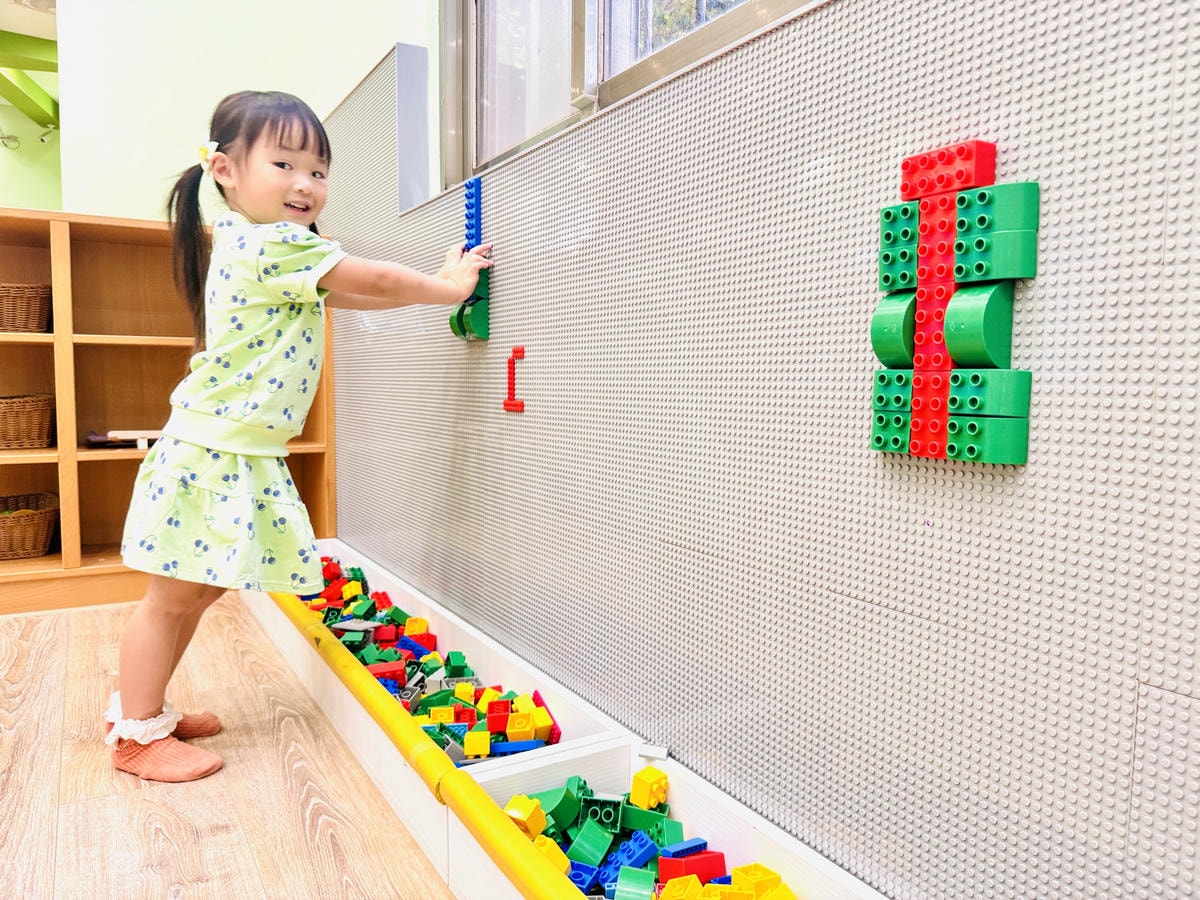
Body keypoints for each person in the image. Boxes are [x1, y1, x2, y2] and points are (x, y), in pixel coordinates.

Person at [106, 90, 491, 782]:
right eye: (283, 164)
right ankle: (134, 735)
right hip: (214, 451)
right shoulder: (271, 243)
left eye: (318, 170)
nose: (305, 183)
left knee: (198, 592)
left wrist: (433, 288)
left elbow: (353, 292)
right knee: (171, 599)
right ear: (225, 170)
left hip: (234, 450)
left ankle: (149, 711)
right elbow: (374, 277)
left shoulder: (262, 246)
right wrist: (448, 288)